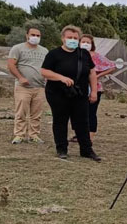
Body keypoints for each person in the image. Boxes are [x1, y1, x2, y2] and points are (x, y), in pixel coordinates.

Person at [39, 25, 101, 161]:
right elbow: (44, 72)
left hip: (80, 93)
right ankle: (61, 148)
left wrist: (94, 91)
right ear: (63, 38)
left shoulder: (84, 54)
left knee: (82, 122)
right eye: (69, 38)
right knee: (60, 120)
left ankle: (86, 149)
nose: (72, 40)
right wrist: (61, 78)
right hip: (58, 93)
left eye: (75, 38)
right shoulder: (54, 54)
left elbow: (92, 72)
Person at [70, 34, 116, 143]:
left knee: (91, 112)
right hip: (77, 87)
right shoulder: (74, 55)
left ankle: (89, 136)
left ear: (92, 44)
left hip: (94, 88)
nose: (85, 44)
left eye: (88, 42)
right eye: (83, 42)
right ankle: (78, 134)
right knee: (76, 112)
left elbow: (112, 66)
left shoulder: (97, 56)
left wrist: (98, 75)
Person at [7, 25, 48, 144]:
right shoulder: (17, 48)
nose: (35, 37)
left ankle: (34, 135)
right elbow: (11, 64)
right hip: (23, 87)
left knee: (36, 113)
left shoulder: (44, 51)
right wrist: (20, 77)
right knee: (21, 112)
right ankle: (19, 134)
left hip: (39, 86)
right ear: (27, 35)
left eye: (38, 35)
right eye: (33, 35)